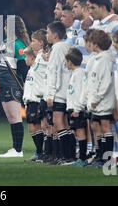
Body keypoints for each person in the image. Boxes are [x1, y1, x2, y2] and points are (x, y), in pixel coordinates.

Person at [0, 15, 30, 158]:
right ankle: (15, 148)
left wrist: (24, 86)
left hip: (12, 82)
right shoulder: (4, 42)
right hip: (2, 82)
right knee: (10, 117)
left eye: (6, 25)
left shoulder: (19, 45)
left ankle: (18, 149)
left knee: (15, 116)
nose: (4, 28)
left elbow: (23, 69)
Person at [85, 30, 115, 167]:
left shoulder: (105, 59)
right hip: (96, 101)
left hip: (103, 101)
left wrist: (96, 99)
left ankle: (107, 159)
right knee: (96, 127)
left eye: (90, 41)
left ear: (95, 44)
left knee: (105, 127)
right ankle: (99, 156)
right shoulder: (97, 59)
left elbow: (105, 82)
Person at [46, 21, 72, 164]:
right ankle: (67, 155)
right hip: (69, 89)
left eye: (47, 32)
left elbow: (53, 71)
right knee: (67, 124)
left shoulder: (56, 48)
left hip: (60, 91)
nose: (46, 35)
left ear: (55, 35)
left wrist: (50, 94)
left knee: (57, 122)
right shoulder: (68, 46)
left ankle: (66, 156)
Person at [22, 46, 45, 162]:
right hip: (29, 101)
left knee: (36, 126)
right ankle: (39, 151)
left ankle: (41, 152)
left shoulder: (37, 68)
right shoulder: (30, 69)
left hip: (36, 101)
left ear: (32, 57)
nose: (25, 59)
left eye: (26, 56)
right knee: (32, 128)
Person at [65, 47, 88, 167]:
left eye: (66, 61)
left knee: (80, 132)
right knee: (77, 132)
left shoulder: (80, 73)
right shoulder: (75, 73)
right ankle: (80, 157)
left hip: (76, 109)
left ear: (70, 61)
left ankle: (83, 158)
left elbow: (82, 92)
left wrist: (77, 108)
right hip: (72, 108)